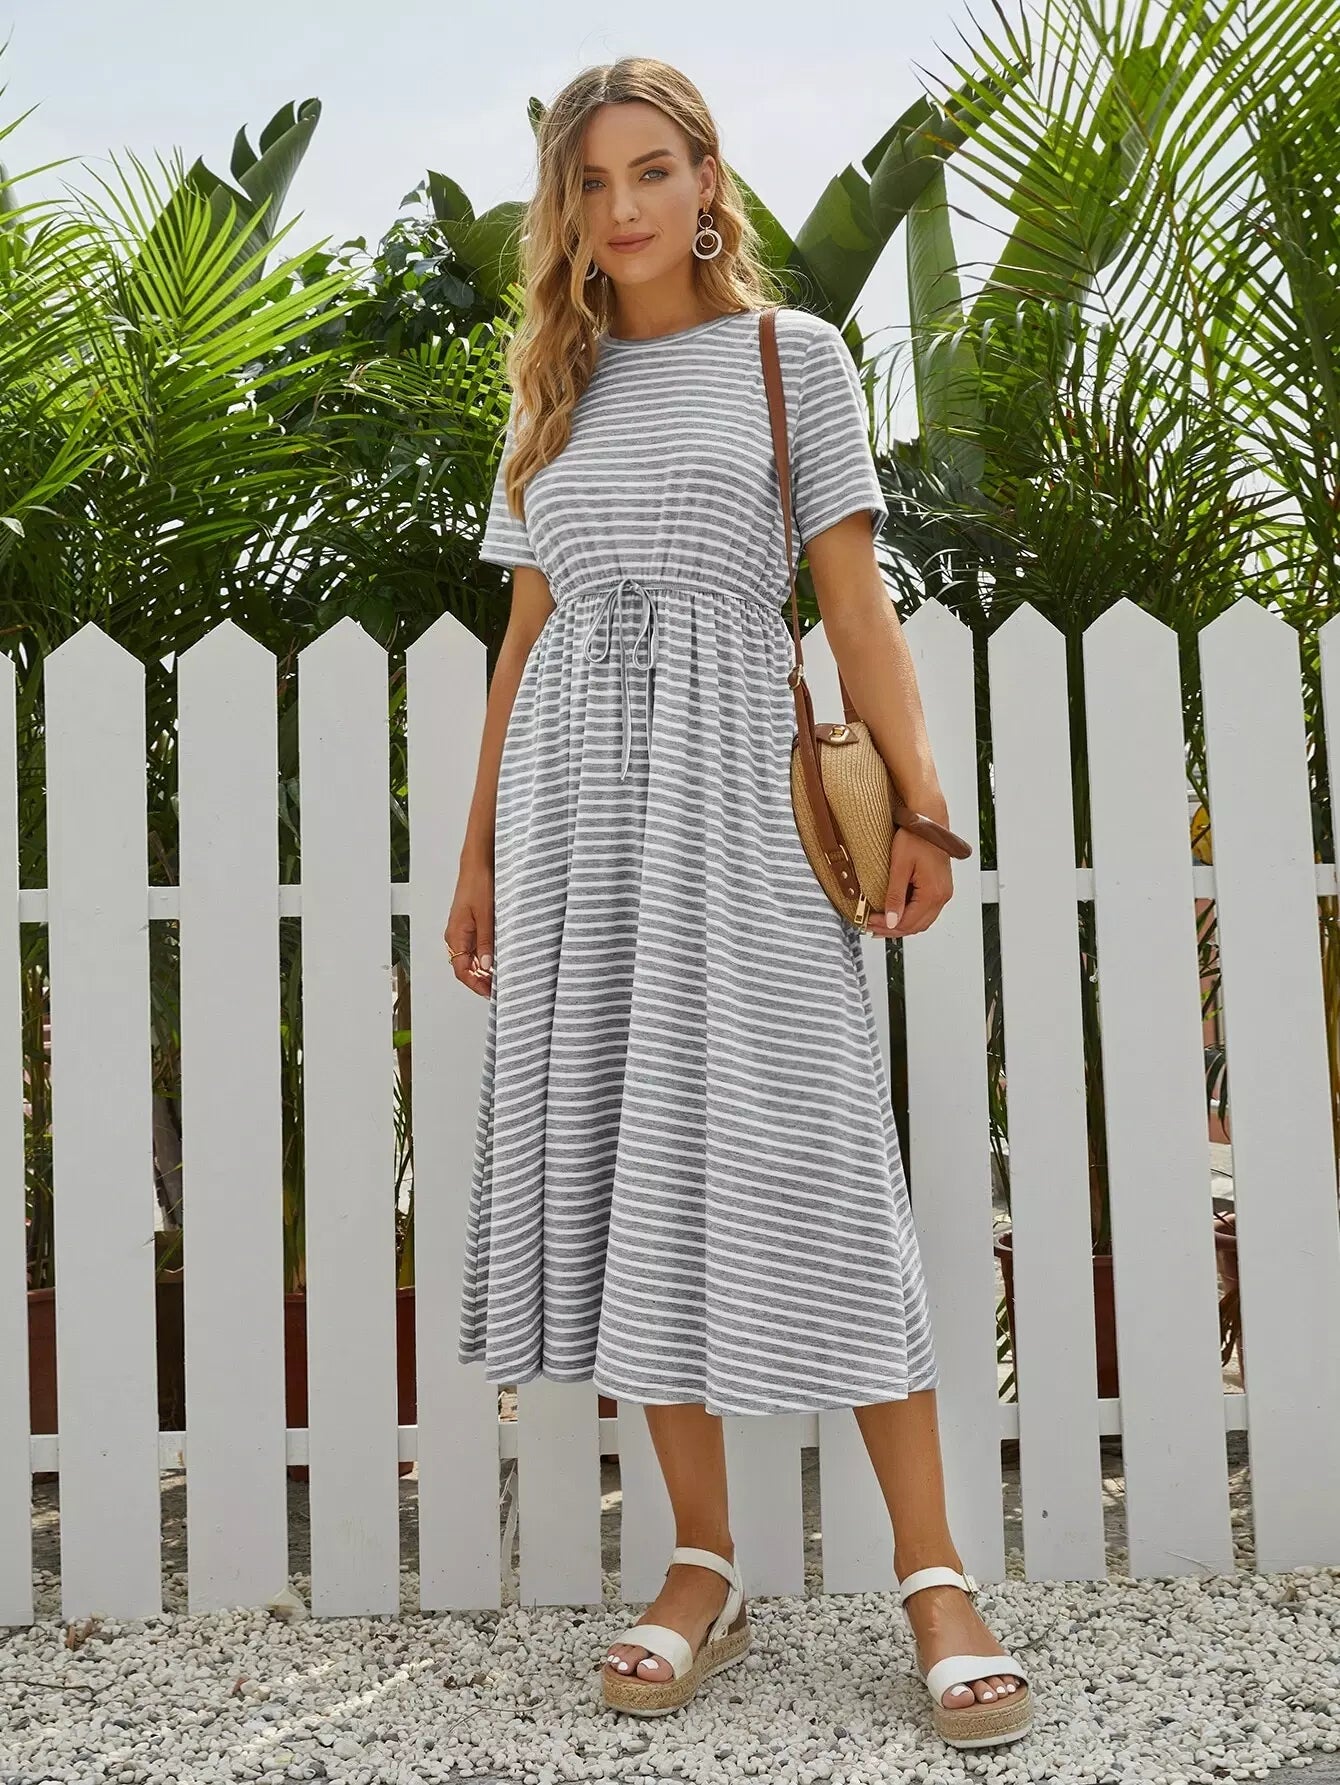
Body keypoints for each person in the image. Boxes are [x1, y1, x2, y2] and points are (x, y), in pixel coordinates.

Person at [443, 56, 1032, 1750]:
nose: (621, 207)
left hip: (739, 802)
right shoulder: (548, 388)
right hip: (576, 816)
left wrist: (925, 809)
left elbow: (854, 605)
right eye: (589, 181)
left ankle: (934, 1573)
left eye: (652, 170)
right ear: (564, 208)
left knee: (819, 1159)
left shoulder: (794, 358)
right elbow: (523, 639)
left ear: (708, 180)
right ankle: (701, 1560)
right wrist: (479, 855)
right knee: (630, 1161)